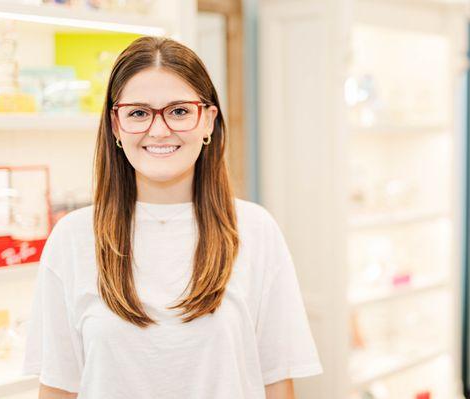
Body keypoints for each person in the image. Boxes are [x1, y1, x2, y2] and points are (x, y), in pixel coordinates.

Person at [22, 36, 322, 399]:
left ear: (208, 121)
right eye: (138, 112)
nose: (159, 130)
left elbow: (278, 382)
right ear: (116, 125)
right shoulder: (72, 237)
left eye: (179, 111)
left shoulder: (256, 231)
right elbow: (58, 387)